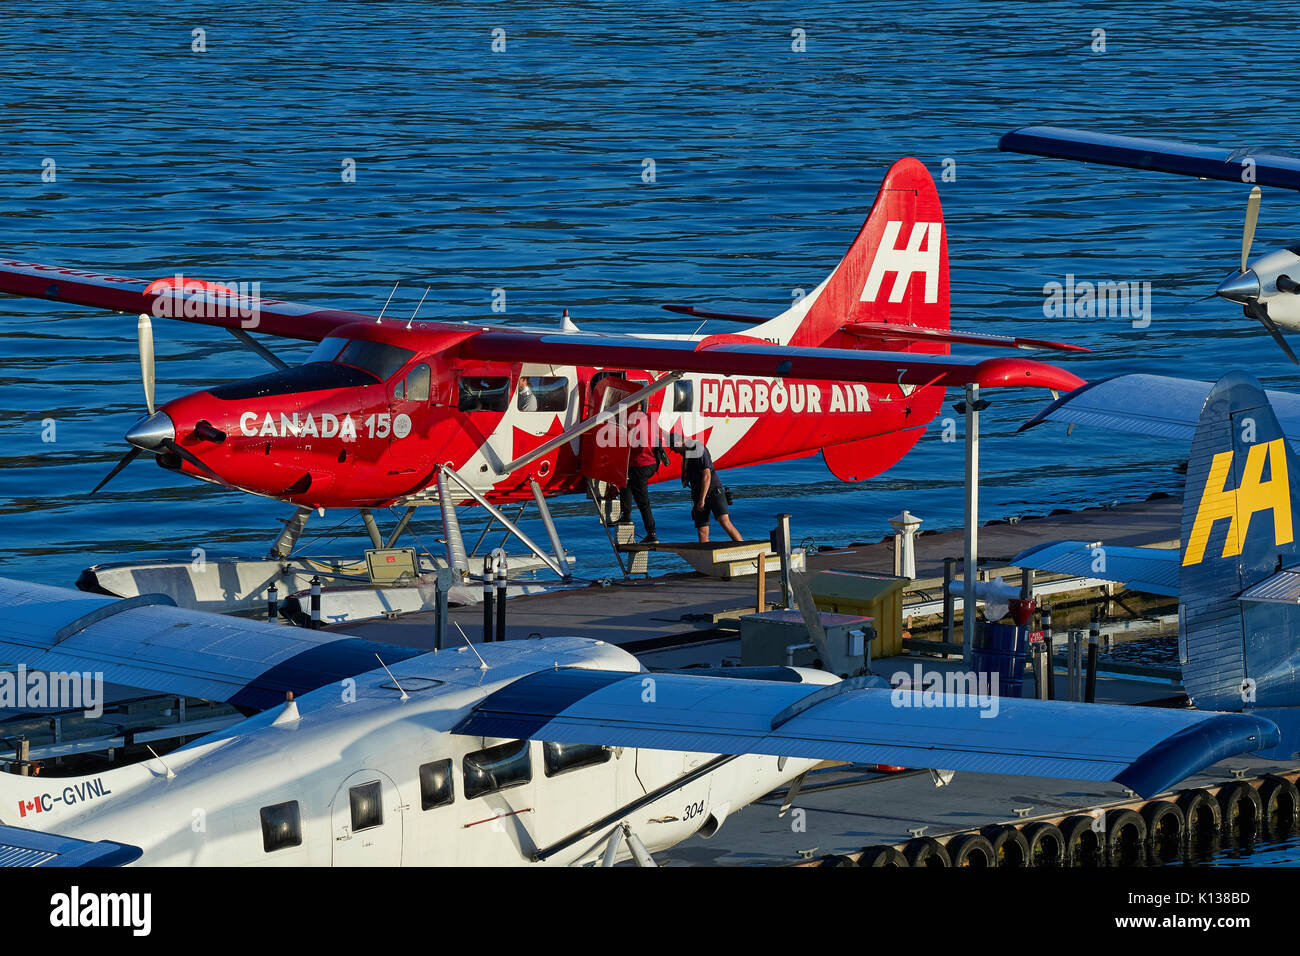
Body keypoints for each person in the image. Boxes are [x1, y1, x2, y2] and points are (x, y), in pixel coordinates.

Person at [671, 436, 742, 543]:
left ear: (678, 443)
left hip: (714, 491)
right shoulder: (686, 453)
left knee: (724, 521)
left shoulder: (697, 448)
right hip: (697, 493)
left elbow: (707, 475)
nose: (675, 452)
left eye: (673, 448)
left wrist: (702, 500)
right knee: (702, 530)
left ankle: (743, 548)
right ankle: (706, 557)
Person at [619, 402, 665, 543]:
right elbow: (659, 436)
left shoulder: (628, 421)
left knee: (642, 501)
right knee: (625, 482)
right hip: (651, 463)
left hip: (639, 463)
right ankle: (626, 516)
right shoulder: (651, 419)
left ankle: (651, 533)